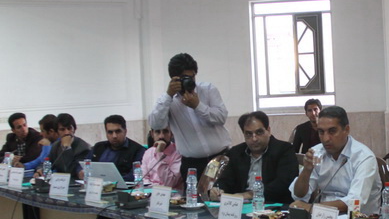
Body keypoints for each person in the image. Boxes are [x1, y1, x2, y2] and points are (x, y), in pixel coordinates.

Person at [148, 53, 231, 183]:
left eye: (192, 77)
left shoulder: (208, 90)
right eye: (184, 78)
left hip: (220, 158)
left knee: (223, 194)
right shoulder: (167, 101)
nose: (190, 81)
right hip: (192, 164)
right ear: (174, 79)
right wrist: (168, 95)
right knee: (194, 196)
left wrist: (198, 106)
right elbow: (156, 124)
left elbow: (221, 118)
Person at [290, 105, 382, 214]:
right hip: (323, 217)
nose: (325, 139)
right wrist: (306, 170)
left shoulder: (364, 157)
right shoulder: (317, 153)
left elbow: (355, 202)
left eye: (332, 131)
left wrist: (311, 208)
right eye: (321, 132)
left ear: (346, 130)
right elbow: (299, 196)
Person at [210, 111, 297, 203]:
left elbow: (284, 183)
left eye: (259, 132)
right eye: (248, 134)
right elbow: (226, 180)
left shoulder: (284, 150)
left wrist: (250, 194)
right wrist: (218, 190)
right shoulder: (236, 152)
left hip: (273, 204)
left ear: (268, 131)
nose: (254, 138)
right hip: (241, 206)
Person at [81, 115, 145, 181]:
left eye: (118, 131)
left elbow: (134, 175)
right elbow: (86, 164)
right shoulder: (98, 147)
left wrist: (112, 181)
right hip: (96, 184)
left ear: (125, 131)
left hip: (122, 186)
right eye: (110, 132)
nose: (114, 136)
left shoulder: (137, 150)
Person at [35, 113, 90, 179]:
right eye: (62, 129)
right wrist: (39, 170)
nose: (66, 132)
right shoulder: (56, 145)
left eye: (69, 128)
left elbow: (70, 171)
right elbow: (47, 162)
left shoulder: (83, 148)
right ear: (57, 132)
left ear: (74, 129)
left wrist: (67, 148)